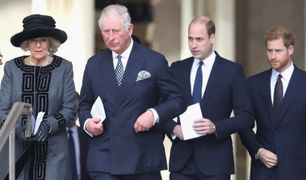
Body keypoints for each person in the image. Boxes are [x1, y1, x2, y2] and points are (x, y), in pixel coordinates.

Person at [78, 4, 186, 180]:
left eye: (115, 31)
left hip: (142, 159)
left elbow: (177, 100)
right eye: (106, 31)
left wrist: (154, 114)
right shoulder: (94, 64)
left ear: (129, 29)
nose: (110, 37)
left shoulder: (154, 61)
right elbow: (84, 105)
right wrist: (88, 123)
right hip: (104, 159)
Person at [162, 16, 253, 180]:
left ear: (212, 38)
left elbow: (246, 118)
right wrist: (174, 129)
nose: (193, 45)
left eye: (199, 39)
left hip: (216, 163)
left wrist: (215, 127)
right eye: (190, 39)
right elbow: (161, 107)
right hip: (181, 163)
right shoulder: (177, 69)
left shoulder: (232, 71)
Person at [0, 14, 77, 180]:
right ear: (26, 43)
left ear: (51, 42)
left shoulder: (64, 67)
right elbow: (2, 108)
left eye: (43, 39)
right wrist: (19, 129)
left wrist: (48, 125)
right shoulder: (12, 68)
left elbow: (70, 108)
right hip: (16, 151)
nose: (38, 44)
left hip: (53, 152)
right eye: (33, 40)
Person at [239, 26, 306, 180]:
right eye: (269, 51)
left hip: (298, 170)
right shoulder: (253, 84)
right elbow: (243, 124)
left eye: (278, 51)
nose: (273, 56)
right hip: (262, 170)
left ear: (290, 49)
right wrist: (257, 150)